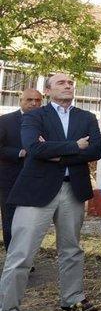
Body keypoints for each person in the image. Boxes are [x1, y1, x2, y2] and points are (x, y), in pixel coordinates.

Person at [0, 73, 101, 311]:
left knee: (71, 249)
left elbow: (96, 151)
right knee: (20, 253)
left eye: (70, 83)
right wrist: (74, 147)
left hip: (73, 190)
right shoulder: (35, 115)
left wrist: (57, 153)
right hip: (36, 191)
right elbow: (34, 148)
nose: (68, 86)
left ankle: (72, 298)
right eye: (61, 83)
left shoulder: (87, 117)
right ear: (47, 91)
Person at [0, 88, 43, 249]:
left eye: (37, 100)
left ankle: (27, 260)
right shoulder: (5, 121)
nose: (34, 103)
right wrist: (20, 152)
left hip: (39, 179)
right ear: (21, 101)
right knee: (11, 220)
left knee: (32, 223)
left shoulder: (47, 122)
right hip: (11, 178)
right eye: (29, 100)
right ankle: (13, 260)